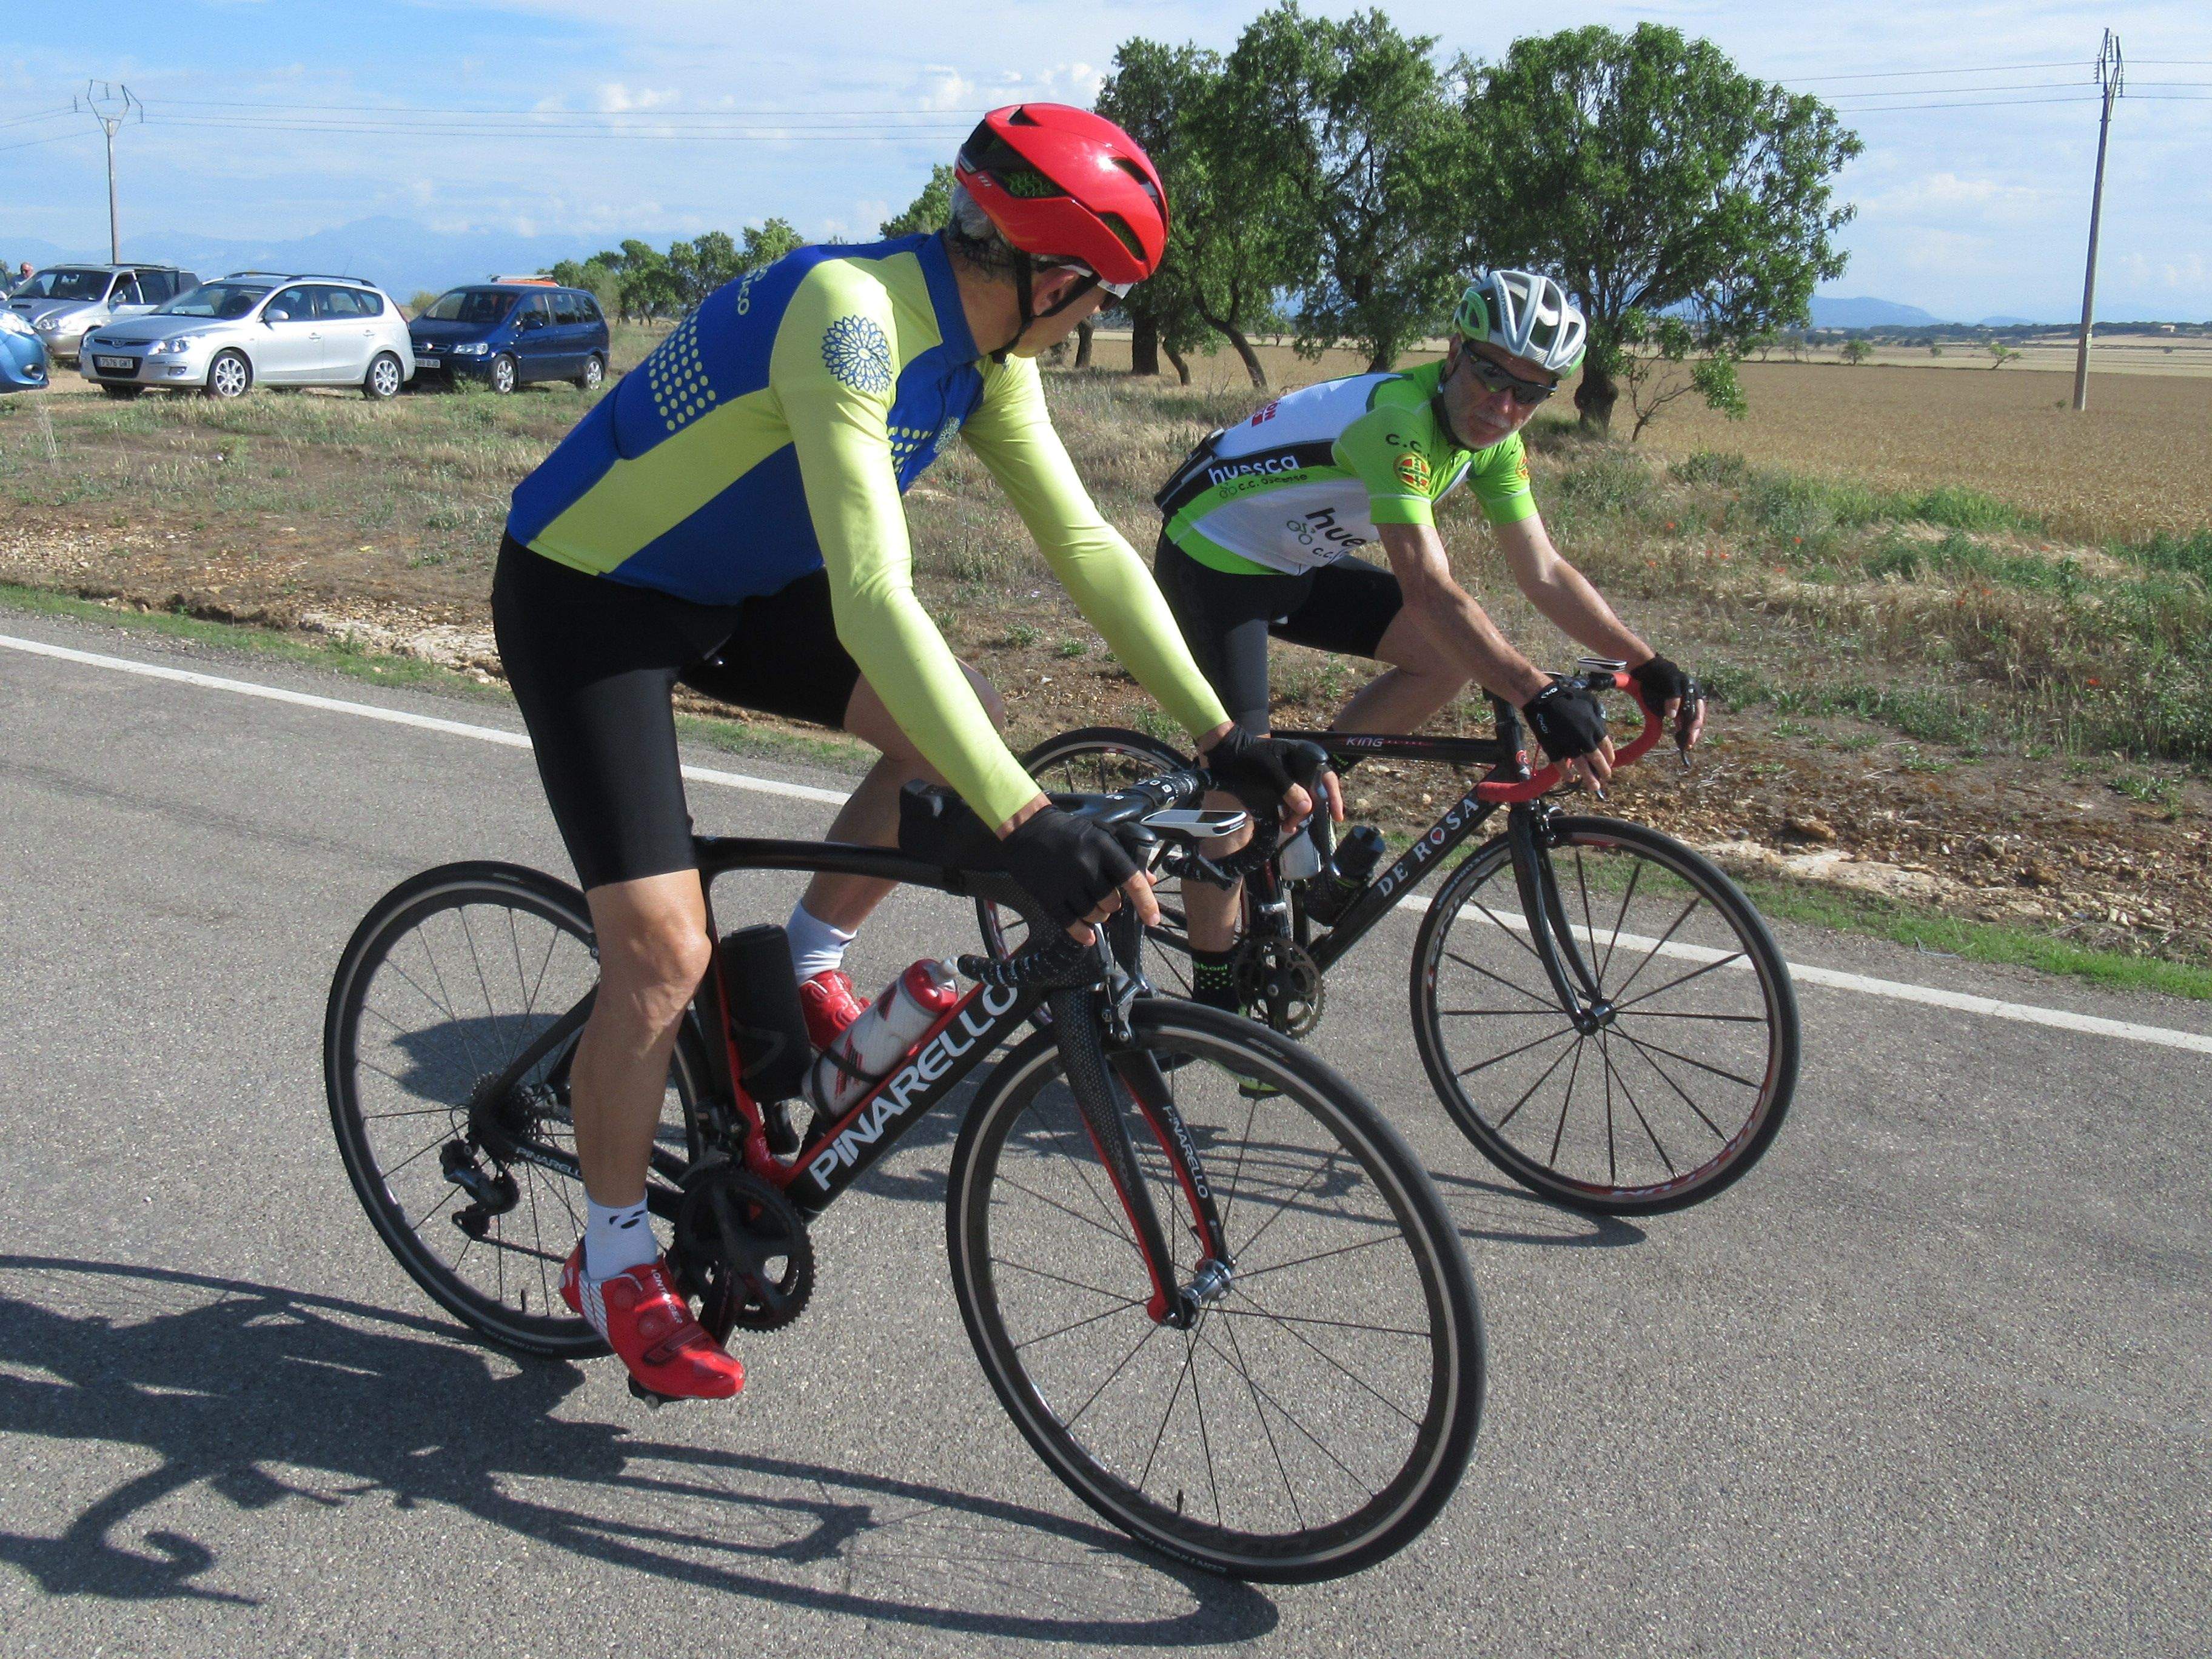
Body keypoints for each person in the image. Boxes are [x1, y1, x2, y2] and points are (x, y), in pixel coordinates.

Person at [492, 104, 1327, 1402]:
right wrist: (1025, 823)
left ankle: (815, 956)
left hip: (741, 589)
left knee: (958, 730)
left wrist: (1231, 735)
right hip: (589, 591)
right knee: (660, 954)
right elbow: (875, 591)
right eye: (1097, 296)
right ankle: (609, 1259)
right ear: (1054, 276)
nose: (1091, 318)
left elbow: (1089, 546)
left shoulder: (994, 360)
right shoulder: (854, 315)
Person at [1151, 268, 1704, 1016]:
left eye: (1531, 392)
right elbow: (1430, 589)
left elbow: (1541, 570)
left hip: (1295, 555)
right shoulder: (1399, 422)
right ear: (1454, 351)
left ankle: (1309, 785)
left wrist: (1645, 661)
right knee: (1236, 785)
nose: (1504, 405)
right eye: (1491, 376)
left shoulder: (1495, 441)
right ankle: (1214, 1005)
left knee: (1442, 660)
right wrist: (1535, 691)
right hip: (1213, 554)